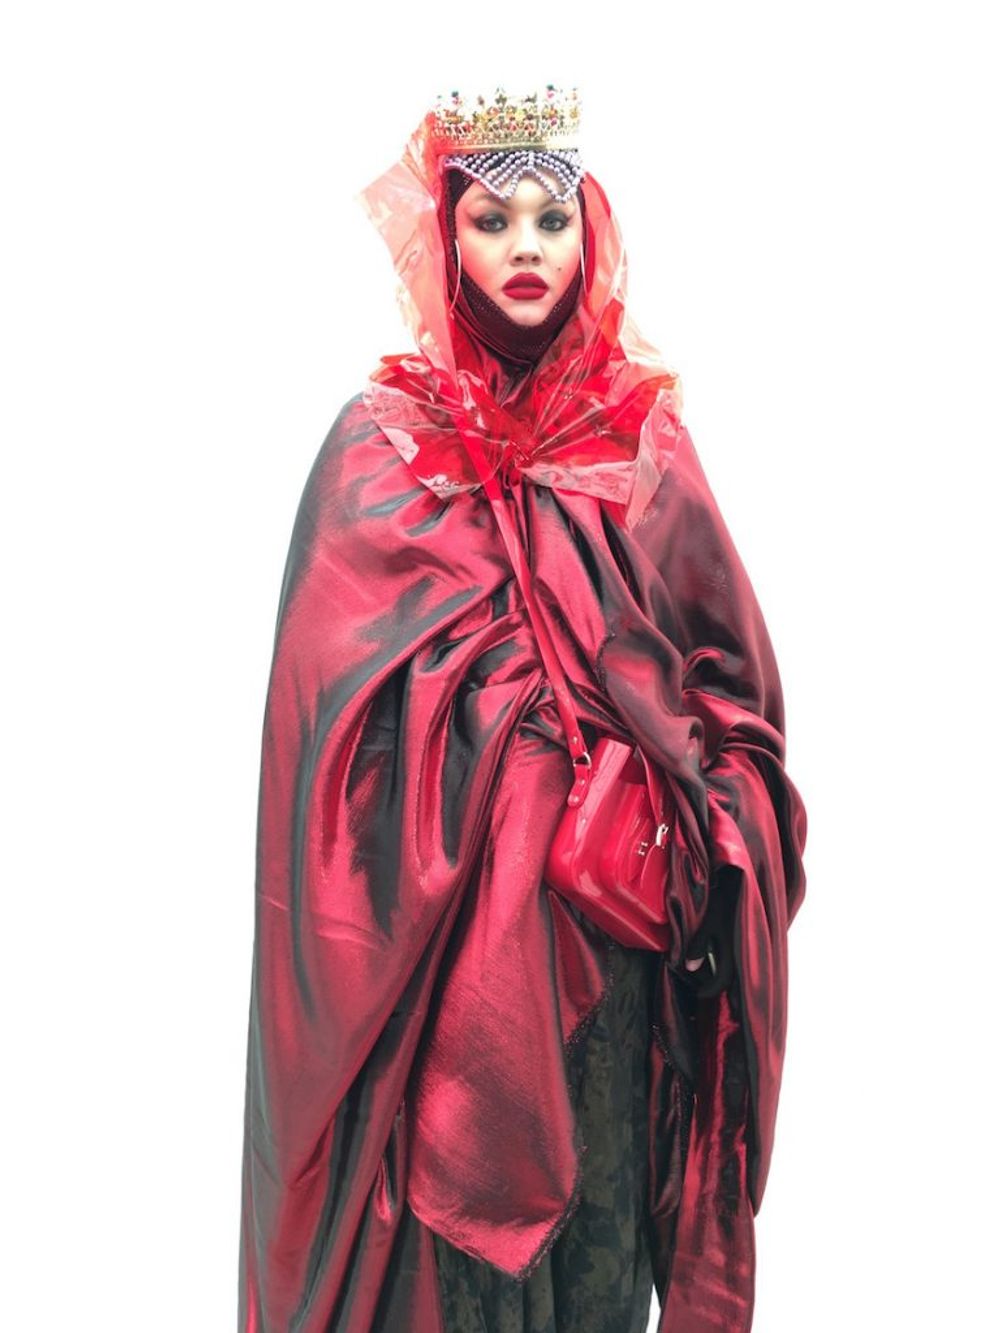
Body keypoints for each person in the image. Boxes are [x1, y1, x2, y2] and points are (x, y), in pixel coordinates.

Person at [237, 86, 808, 1333]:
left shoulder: (642, 442)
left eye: (553, 218)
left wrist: (684, 782)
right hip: (450, 953)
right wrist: (520, 738)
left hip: (610, 937)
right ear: (447, 240)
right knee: (464, 1271)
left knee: (601, 1241)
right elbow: (327, 731)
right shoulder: (381, 449)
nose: (527, 247)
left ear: (589, 234)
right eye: (492, 220)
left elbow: (733, 696)